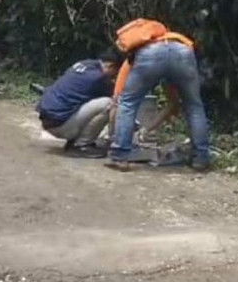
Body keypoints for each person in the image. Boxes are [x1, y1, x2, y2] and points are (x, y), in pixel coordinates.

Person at [108, 19, 211, 173]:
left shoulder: (134, 57)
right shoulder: (173, 38)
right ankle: (201, 158)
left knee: (127, 103)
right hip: (184, 53)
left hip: (151, 55)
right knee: (194, 105)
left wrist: (113, 135)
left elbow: (119, 101)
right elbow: (174, 103)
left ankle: (120, 157)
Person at [36, 48, 124, 158]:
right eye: (116, 72)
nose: (114, 76)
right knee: (108, 104)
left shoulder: (84, 64)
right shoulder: (98, 78)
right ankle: (82, 145)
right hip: (59, 126)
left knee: (91, 103)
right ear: (111, 66)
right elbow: (117, 96)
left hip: (50, 119)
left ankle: (76, 141)